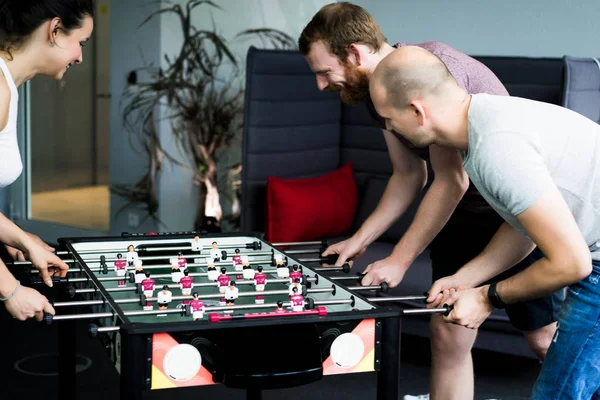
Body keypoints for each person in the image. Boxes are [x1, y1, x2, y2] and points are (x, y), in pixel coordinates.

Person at [298, 3, 559, 399]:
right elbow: (409, 175)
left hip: (515, 210)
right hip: (464, 215)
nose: (321, 84)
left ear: (354, 53)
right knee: (448, 332)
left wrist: (399, 259)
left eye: (323, 71)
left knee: (542, 341)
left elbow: (452, 180)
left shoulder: (422, 73)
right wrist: (361, 240)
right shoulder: (375, 91)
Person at [369, 44, 600, 399]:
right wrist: (466, 278)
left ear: (417, 111)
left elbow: (572, 263)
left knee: (558, 393)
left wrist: (488, 298)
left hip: (593, 263)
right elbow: (526, 229)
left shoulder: (496, 149)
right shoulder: (481, 129)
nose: (387, 127)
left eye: (388, 119)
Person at [0, 1, 94, 321]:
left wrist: (20, 239)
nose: (81, 57)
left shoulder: (7, 86)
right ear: (54, 30)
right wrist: (11, 290)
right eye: (80, 43)